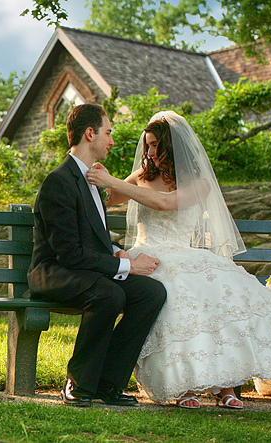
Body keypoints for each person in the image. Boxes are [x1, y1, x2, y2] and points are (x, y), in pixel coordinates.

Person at [86, 111, 271, 409]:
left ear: (171, 147)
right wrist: (103, 179)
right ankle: (183, 384)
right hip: (147, 255)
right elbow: (110, 198)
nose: (149, 153)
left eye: (155, 146)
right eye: (147, 146)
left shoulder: (199, 183)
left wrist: (113, 182)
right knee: (178, 298)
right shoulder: (142, 176)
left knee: (222, 295)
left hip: (184, 253)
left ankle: (224, 385)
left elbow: (165, 203)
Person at [28, 103, 167, 407]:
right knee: (108, 294)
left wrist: (117, 250)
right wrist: (127, 265)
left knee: (152, 293)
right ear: (90, 134)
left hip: (84, 269)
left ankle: (108, 383)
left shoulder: (91, 178)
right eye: (108, 133)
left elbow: (94, 237)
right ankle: (78, 382)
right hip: (55, 272)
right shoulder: (59, 182)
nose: (112, 140)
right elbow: (69, 254)